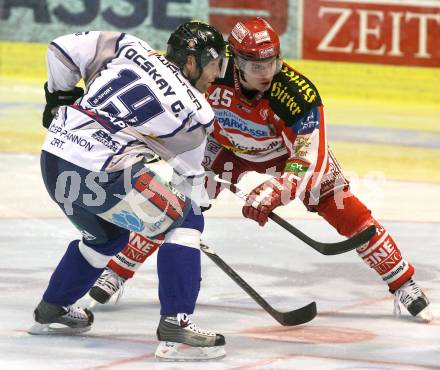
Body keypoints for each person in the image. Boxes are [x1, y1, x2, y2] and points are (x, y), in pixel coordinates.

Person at [90, 17, 432, 322]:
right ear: (234, 61)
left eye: (272, 62)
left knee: (338, 202)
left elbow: (309, 154)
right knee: (178, 202)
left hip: (285, 156)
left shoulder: (296, 93)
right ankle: (118, 271)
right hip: (225, 149)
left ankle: (402, 281)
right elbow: (171, 108)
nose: (266, 73)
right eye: (255, 66)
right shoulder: (212, 73)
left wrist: (278, 190)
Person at [29, 21, 228, 361]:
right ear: (192, 62)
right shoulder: (197, 112)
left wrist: (59, 97)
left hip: (54, 159)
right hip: (100, 174)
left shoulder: (128, 46)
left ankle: (54, 307)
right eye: (215, 65)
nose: (217, 75)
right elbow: (190, 182)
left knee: (107, 239)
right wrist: (196, 204)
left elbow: (61, 48)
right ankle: (176, 326)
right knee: (186, 220)